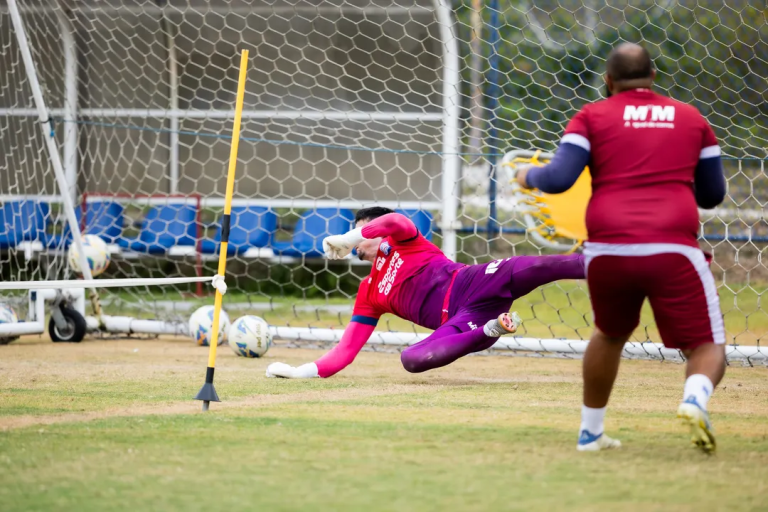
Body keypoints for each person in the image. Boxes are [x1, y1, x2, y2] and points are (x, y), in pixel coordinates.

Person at [516, 43, 727, 453]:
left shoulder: (591, 115)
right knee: (706, 344)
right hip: (673, 247)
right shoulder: (691, 119)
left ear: (608, 81)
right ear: (654, 76)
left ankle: (590, 434)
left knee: (609, 334)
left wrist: (528, 175)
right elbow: (713, 194)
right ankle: (693, 400)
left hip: (608, 248)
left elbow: (558, 179)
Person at [265, 207, 585, 379]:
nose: (357, 245)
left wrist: (348, 236)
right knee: (411, 359)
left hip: (472, 281)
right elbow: (345, 351)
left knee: (543, 266)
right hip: (461, 321)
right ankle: (493, 328)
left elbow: (395, 220)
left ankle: (612, 264)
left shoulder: (405, 239)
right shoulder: (368, 292)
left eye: (363, 230)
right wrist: (302, 372)